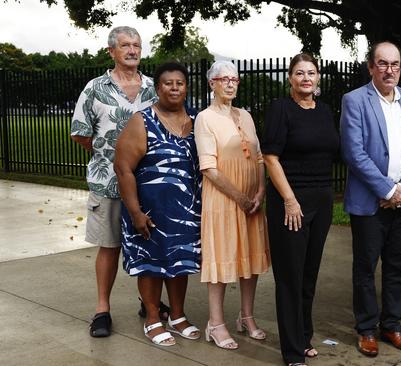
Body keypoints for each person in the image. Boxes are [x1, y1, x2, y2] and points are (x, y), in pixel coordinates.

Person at [340, 41, 401, 357]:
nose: (389, 69)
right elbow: (354, 153)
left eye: (394, 64)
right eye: (382, 63)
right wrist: (387, 190)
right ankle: (366, 328)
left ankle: (391, 325)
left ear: (400, 68)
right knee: (365, 267)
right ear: (371, 66)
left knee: (397, 267)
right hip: (370, 204)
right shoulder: (354, 101)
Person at [71, 26, 158, 338]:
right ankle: (102, 310)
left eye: (136, 44)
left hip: (148, 181)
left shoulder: (153, 88)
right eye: (125, 45)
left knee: (148, 244)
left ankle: (148, 303)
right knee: (109, 246)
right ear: (112, 51)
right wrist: (110, 152)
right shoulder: (95, 88)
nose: (132, 50)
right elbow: (81, 131)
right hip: (107, 182)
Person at [114, 61, 201, 346]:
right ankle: (153, 317)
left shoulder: (196, 121)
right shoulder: (143, 120)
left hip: (185, 211)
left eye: (180, 83)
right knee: (151, 265)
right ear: (157, 87)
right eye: (168, 83)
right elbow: (124, 168)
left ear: (186, 87)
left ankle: (177, 315)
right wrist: (135, 212)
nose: (174, 88)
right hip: (149, 211)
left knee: (180, 262)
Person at [262, 53, 339, 366]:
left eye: (311, 73)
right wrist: (290, 200)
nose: (306, 78)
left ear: (317, 77)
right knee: (290, 278)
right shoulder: (281, 109)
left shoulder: (324, 111)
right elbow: (270, 157)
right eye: (299, 73)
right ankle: (292, 351)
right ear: (290, 78)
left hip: (321, 201)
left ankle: (304, 336)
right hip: (290, 201)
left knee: (309, 275)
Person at [195, 60, 270, 351]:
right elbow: (209, 168)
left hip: (252, 202)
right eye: (223, 79)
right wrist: (240, 197)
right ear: (211, 83)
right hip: (224, 201)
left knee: (249, 262)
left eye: (234, 79)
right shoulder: (205, 118)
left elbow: (260, 157)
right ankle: (216, 324)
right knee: (223, 261)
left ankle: (246, 317)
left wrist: (261, 191)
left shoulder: (246, 116)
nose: (229, 83)